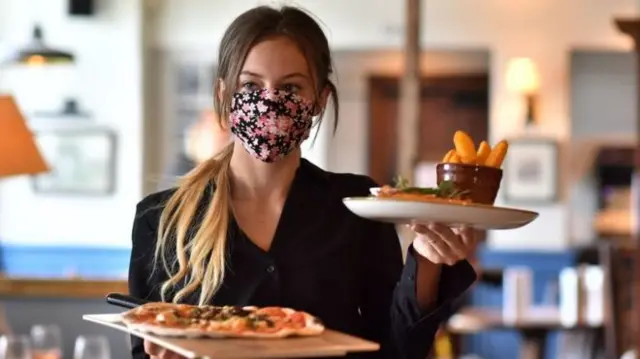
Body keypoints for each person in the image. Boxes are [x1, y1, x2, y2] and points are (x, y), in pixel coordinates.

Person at [128, 5, 477, 359]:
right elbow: (144, 350)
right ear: (223, 96)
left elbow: (396, 350)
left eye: (291, 86)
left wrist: (428, 261)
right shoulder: (160, 219)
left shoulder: (358, 206)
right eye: (250, 84)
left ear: (319, 101)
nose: (269, 99)